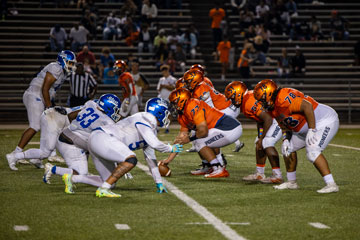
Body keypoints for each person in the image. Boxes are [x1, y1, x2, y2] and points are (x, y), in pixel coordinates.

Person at [74, 98, 183, 197]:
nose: (168, 116)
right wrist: (170, 148)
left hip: (98, 140)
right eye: (166, 113)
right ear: (159, 112)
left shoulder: (150, 128)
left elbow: (150, 159)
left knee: (109, 181)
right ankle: (103, 189)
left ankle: (73, 178)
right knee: (131, 159)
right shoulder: (145, 119)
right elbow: (155, 144)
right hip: (103, 138)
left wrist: (158, 182)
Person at [253, 79, 339, 193]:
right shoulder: (273, 108)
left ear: (269, 93)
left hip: (323, 122)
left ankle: (331, 184)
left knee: (313, 150)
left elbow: (307, 107)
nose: (261, 103)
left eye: (262, 99)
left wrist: (312, 129)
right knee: (288, 149)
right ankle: (291, 182)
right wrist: (286, 139)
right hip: (304, 129)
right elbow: (285, 126)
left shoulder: (283, 97)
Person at [6, 50, 77, 171]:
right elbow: (45, 88)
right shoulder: (56, 67)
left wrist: (51, 105)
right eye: (69, 63)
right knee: (35, 126)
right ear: (62, 60)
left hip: (40, 97)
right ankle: (15, 153)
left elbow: (49, 91)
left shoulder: (63, 72)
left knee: (48, 125)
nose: (71, 65)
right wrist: (49, 107)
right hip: (35, 95)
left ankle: (38, 158)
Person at [46, 94, 123, 190]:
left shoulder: (91, 104)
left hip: (66, 136)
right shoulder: (107, 121)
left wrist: (77, 127)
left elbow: (70, 116)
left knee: (82, 171)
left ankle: (53, 169)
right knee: (83, 169)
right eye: (115, 109)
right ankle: (54, 170)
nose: (117, 112)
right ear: (108, 107)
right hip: (71, 143)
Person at [163, 88, 243, 178]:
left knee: (199, 140)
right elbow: (180, 140)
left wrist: (188, 139)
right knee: (197, 138)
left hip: (230, 127)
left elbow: (203, 132)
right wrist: (168, 160)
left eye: (174, 103)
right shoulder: (182, 116)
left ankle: (218, 168)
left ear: (182, 100)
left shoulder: (193, 105)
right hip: (220, 128)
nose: (173, 106)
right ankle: (208, 167)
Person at [182, 70, 244, 174]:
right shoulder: (199, 86)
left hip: (226, 108)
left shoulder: (200, 89)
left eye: (188, 82)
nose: (186, 85)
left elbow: (208, 110)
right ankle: (209, 164)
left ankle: (219, 163)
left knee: (205, 134)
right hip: (222, 109)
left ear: (194, 80)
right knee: (201, 135)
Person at [224, 81, 283, 183]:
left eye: (232, 98)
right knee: (259, 143)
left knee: (266, 142)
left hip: (277, 120)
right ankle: (259, 174)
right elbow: (260, 120)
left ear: (238, 94)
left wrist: (262, 138)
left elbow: (267, 119)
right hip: (271, 120)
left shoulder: (248, 103)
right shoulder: (247, 99)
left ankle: (277, 175)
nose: (232, 101)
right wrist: (260, 136)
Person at [6, 107, 80, 171]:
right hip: (54, 118)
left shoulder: (88, 105)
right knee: (46, 152)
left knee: (48, 147)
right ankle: (14, 156)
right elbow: (70, 116)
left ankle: (36, 160)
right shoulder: (87, 110)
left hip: (52, 115)